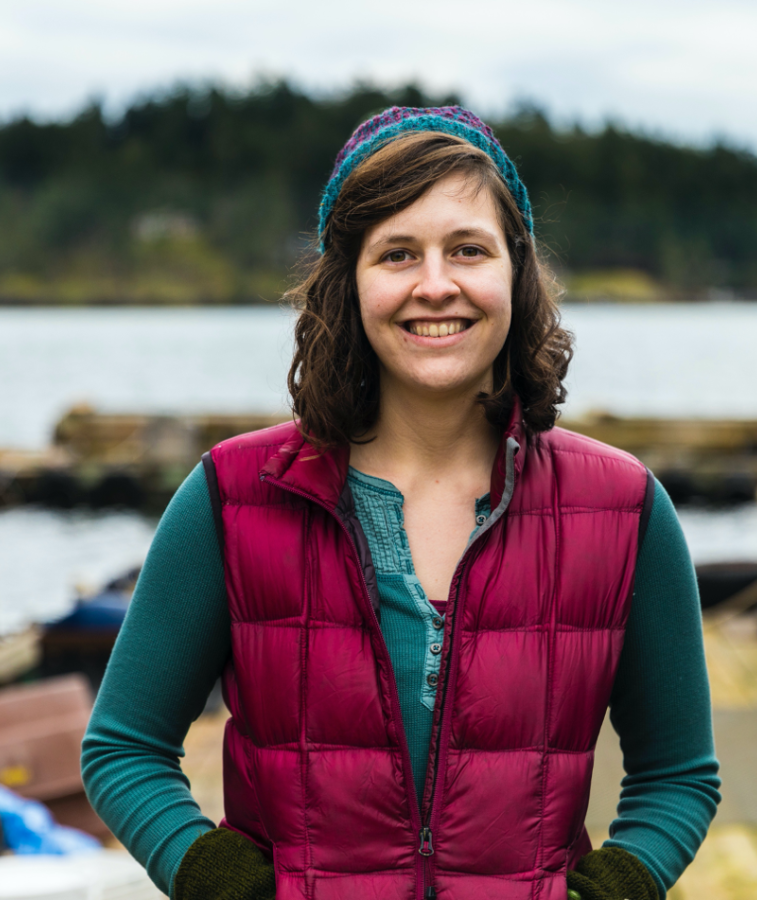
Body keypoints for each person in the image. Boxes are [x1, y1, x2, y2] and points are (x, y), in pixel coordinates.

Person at [82, 106, 720, 900]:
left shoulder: (623, 509)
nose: (435, 284)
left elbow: (679, 776)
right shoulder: (232, 498)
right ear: (347, 283)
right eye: (396, 253)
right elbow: (122, 749)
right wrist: (224, 886)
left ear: (515, 272)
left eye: (467, 249)